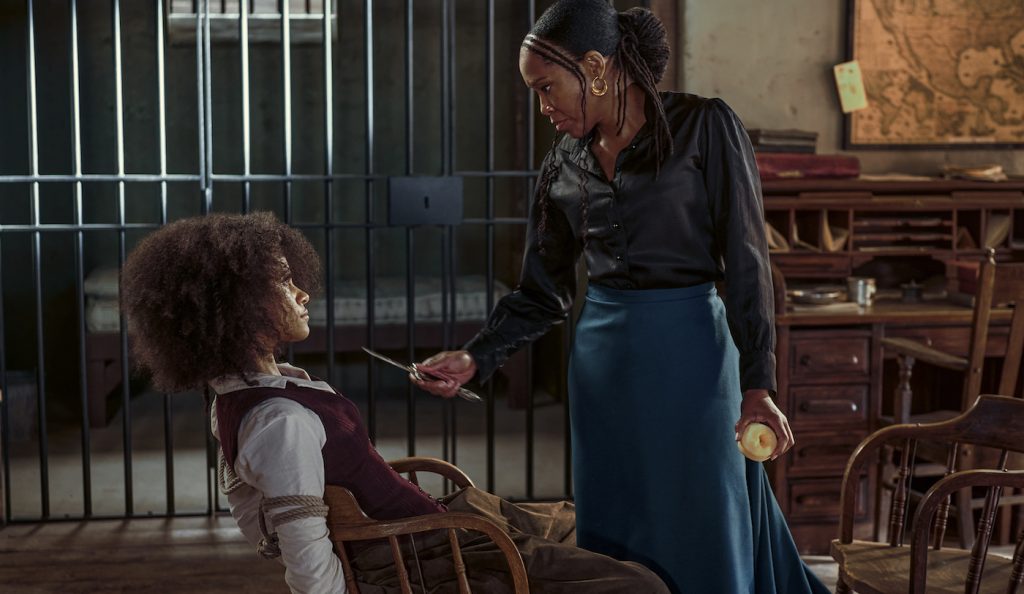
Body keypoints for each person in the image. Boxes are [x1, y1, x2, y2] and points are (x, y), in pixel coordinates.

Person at [413, 2, 830, 593]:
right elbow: (542, 292)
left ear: (595, 67)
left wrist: (758, 383)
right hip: (603, 366)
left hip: (694, 357)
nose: (544, 107)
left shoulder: (704, 126)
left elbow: (747, 265)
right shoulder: (562, 160)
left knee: (703, 511)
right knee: (616, 524)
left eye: (548, 88)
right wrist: (475, 357)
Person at [120, 212, 668, 594]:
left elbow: (264, 500)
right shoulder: (277, 421)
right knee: (640, 584)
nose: (303, 292)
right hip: (431, 553)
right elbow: (305, 556)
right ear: (237, 307)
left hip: (441, 523)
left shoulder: (263, 388)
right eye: (285, 283)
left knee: (583, 521)